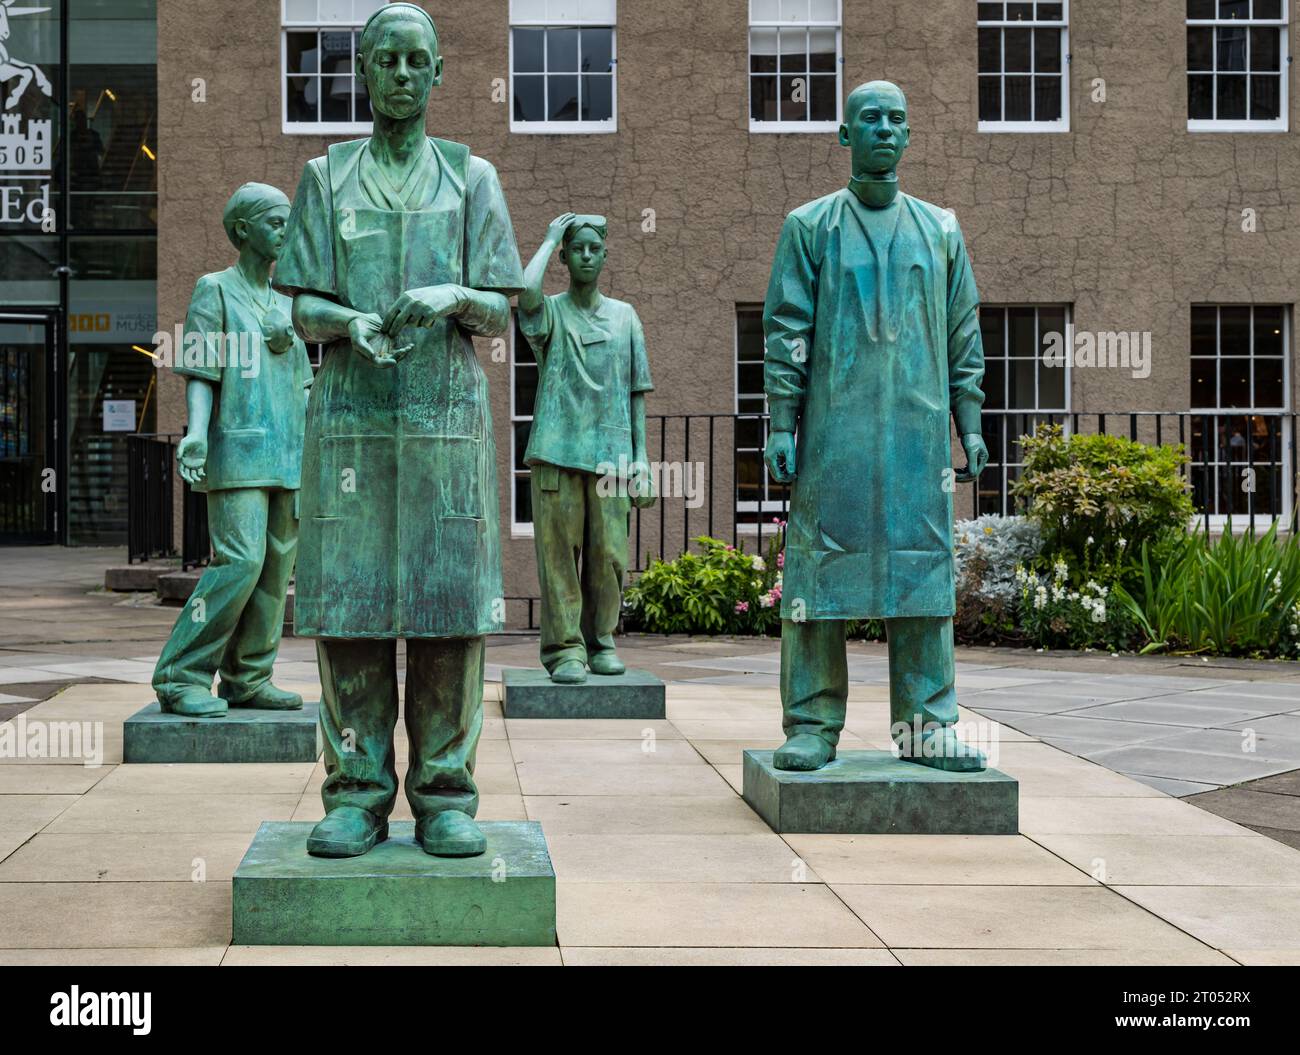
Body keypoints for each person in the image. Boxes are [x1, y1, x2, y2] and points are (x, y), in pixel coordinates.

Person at [273, 3, 523, 858]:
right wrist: (347, 320)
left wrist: (451, 295)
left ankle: (446, 793)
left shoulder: (470, 177)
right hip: (349, 422)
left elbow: (502, 305)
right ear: (365, 69)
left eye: (419, 61)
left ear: (442, 71)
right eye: (388, 60)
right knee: (350, 610)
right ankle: (355, 792)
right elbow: (298, 303)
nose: (404, 75)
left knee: (449, 611)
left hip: (446, 422)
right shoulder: (326, 176)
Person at [762, 81, 989, 773]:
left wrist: (969, 422)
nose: (884, 128)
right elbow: (785, 331)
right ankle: (810, 722)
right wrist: (781, 424)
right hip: (836, 439)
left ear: (910, 135)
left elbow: (963, 333)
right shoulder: (810, 227)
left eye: (897, 117)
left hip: (918, 444)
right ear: (845, 135)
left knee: (923, 578)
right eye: (870, 118)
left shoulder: (940, 229)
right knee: (818, 582)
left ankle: (928, 726)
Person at [152, 182, 312, 718]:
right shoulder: (213, 290)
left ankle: (249, 676)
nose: (285, 232)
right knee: (240, 563)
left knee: (274, 571)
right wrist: (196, 433)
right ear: (242, 229)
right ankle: (181, 674)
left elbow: (306, 386)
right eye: (275, 222)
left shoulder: (290, 306)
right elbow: (200, 369)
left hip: (288, 456)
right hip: (237, 455)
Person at [518, 213, 654, 684]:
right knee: (558, 558)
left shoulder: (625, 316)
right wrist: (551, 234)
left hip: (613, 456)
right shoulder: (551, 312)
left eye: (595, 248)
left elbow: (637, 392)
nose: (587, 256)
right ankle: (564, 650)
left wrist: (642, 460)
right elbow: (526, 293)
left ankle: (602, 641)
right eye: (577, 248)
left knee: (610, 556)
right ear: (564, 257)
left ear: (606, 255)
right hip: (557, 452)